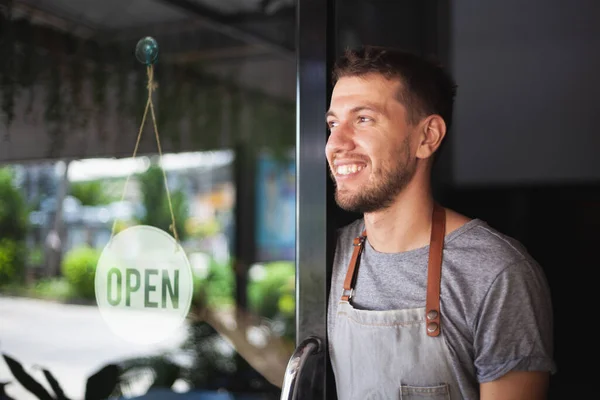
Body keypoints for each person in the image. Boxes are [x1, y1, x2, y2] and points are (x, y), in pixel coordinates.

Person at [325, 46, 556, 400]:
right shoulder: (330, 255)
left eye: (364, 119)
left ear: (427, 137)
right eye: (333, 123)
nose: (336, 143)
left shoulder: (496, 271)